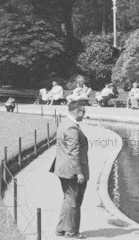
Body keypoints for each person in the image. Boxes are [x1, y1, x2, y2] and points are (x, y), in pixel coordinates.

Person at [49, 101, 89, 238]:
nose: (84, 114)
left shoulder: (65, 123)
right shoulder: (72, 128)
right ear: (77, 111)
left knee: (68, 199)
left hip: (63, 168)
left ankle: (61, 229)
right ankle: (71, 232)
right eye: (83, 112)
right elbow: (73, 152)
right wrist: (79, 172)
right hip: (71, 171)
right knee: (74, 202)